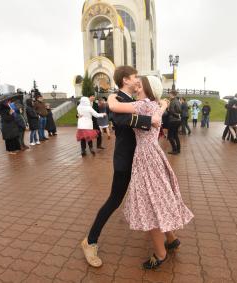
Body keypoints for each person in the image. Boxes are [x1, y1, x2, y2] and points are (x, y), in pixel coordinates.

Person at [107, 76, 194, 269]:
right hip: (154, 154)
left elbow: (114, 107)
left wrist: (112, 97)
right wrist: (163, 104)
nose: (137, 87)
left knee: (149, 202)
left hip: (146, 157)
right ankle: (171, 239)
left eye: (140, 84)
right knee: (158, 197)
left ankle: (160, 253)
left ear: (148, 88)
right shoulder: (154, 105)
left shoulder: (143, 105)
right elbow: (160, 108)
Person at [81, 66, 161, 268]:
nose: (137, 81)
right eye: (135, 77)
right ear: (126, 79)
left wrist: (160, 106)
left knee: (153, 196)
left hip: (140, 160)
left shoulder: (125, 99)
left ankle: (166, 238)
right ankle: (90, 241)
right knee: (114, 200)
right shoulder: (117, 99)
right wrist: (150, 119)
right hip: (126, 160)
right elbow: (119, 118)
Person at [167, 90, 182, 154]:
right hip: (178, 121)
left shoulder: (172, 101)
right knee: (176, 135)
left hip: (173, 120)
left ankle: (174, 150)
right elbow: (180, 110)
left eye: (169, 94)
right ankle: (178, 149)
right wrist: (178, 115)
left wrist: (167, 109)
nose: (169, 95)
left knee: (170, 136)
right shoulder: (178, 101)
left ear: (172, 94)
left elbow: (171, 111)